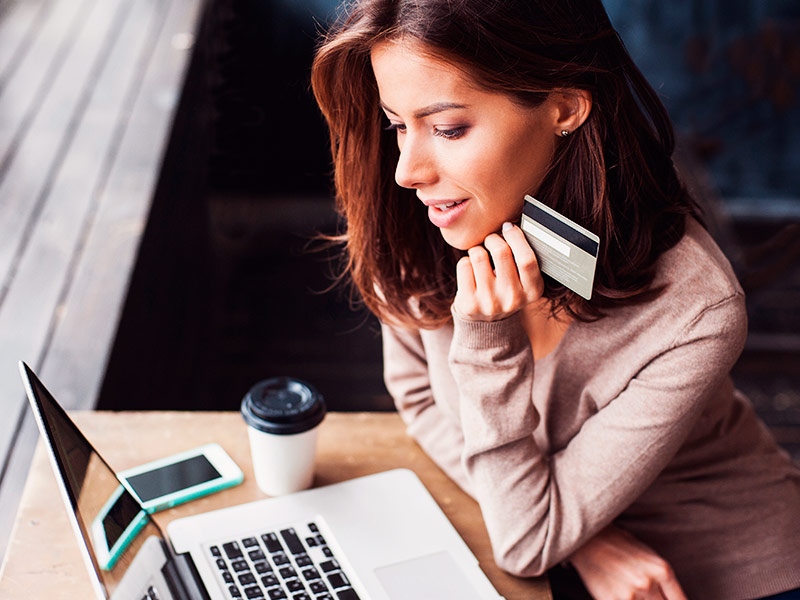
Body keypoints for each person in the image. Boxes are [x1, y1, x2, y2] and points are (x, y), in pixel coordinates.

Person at [310, 1, 800, 598]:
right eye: (397, 125)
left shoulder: (697, 308)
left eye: (447, 129)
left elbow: (523, 542)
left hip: (720, 571)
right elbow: (418, 396)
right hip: (559, 552)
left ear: (564, 107)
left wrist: (490, 345)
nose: (406, 171)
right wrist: (583, 540)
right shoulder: (427, 219)